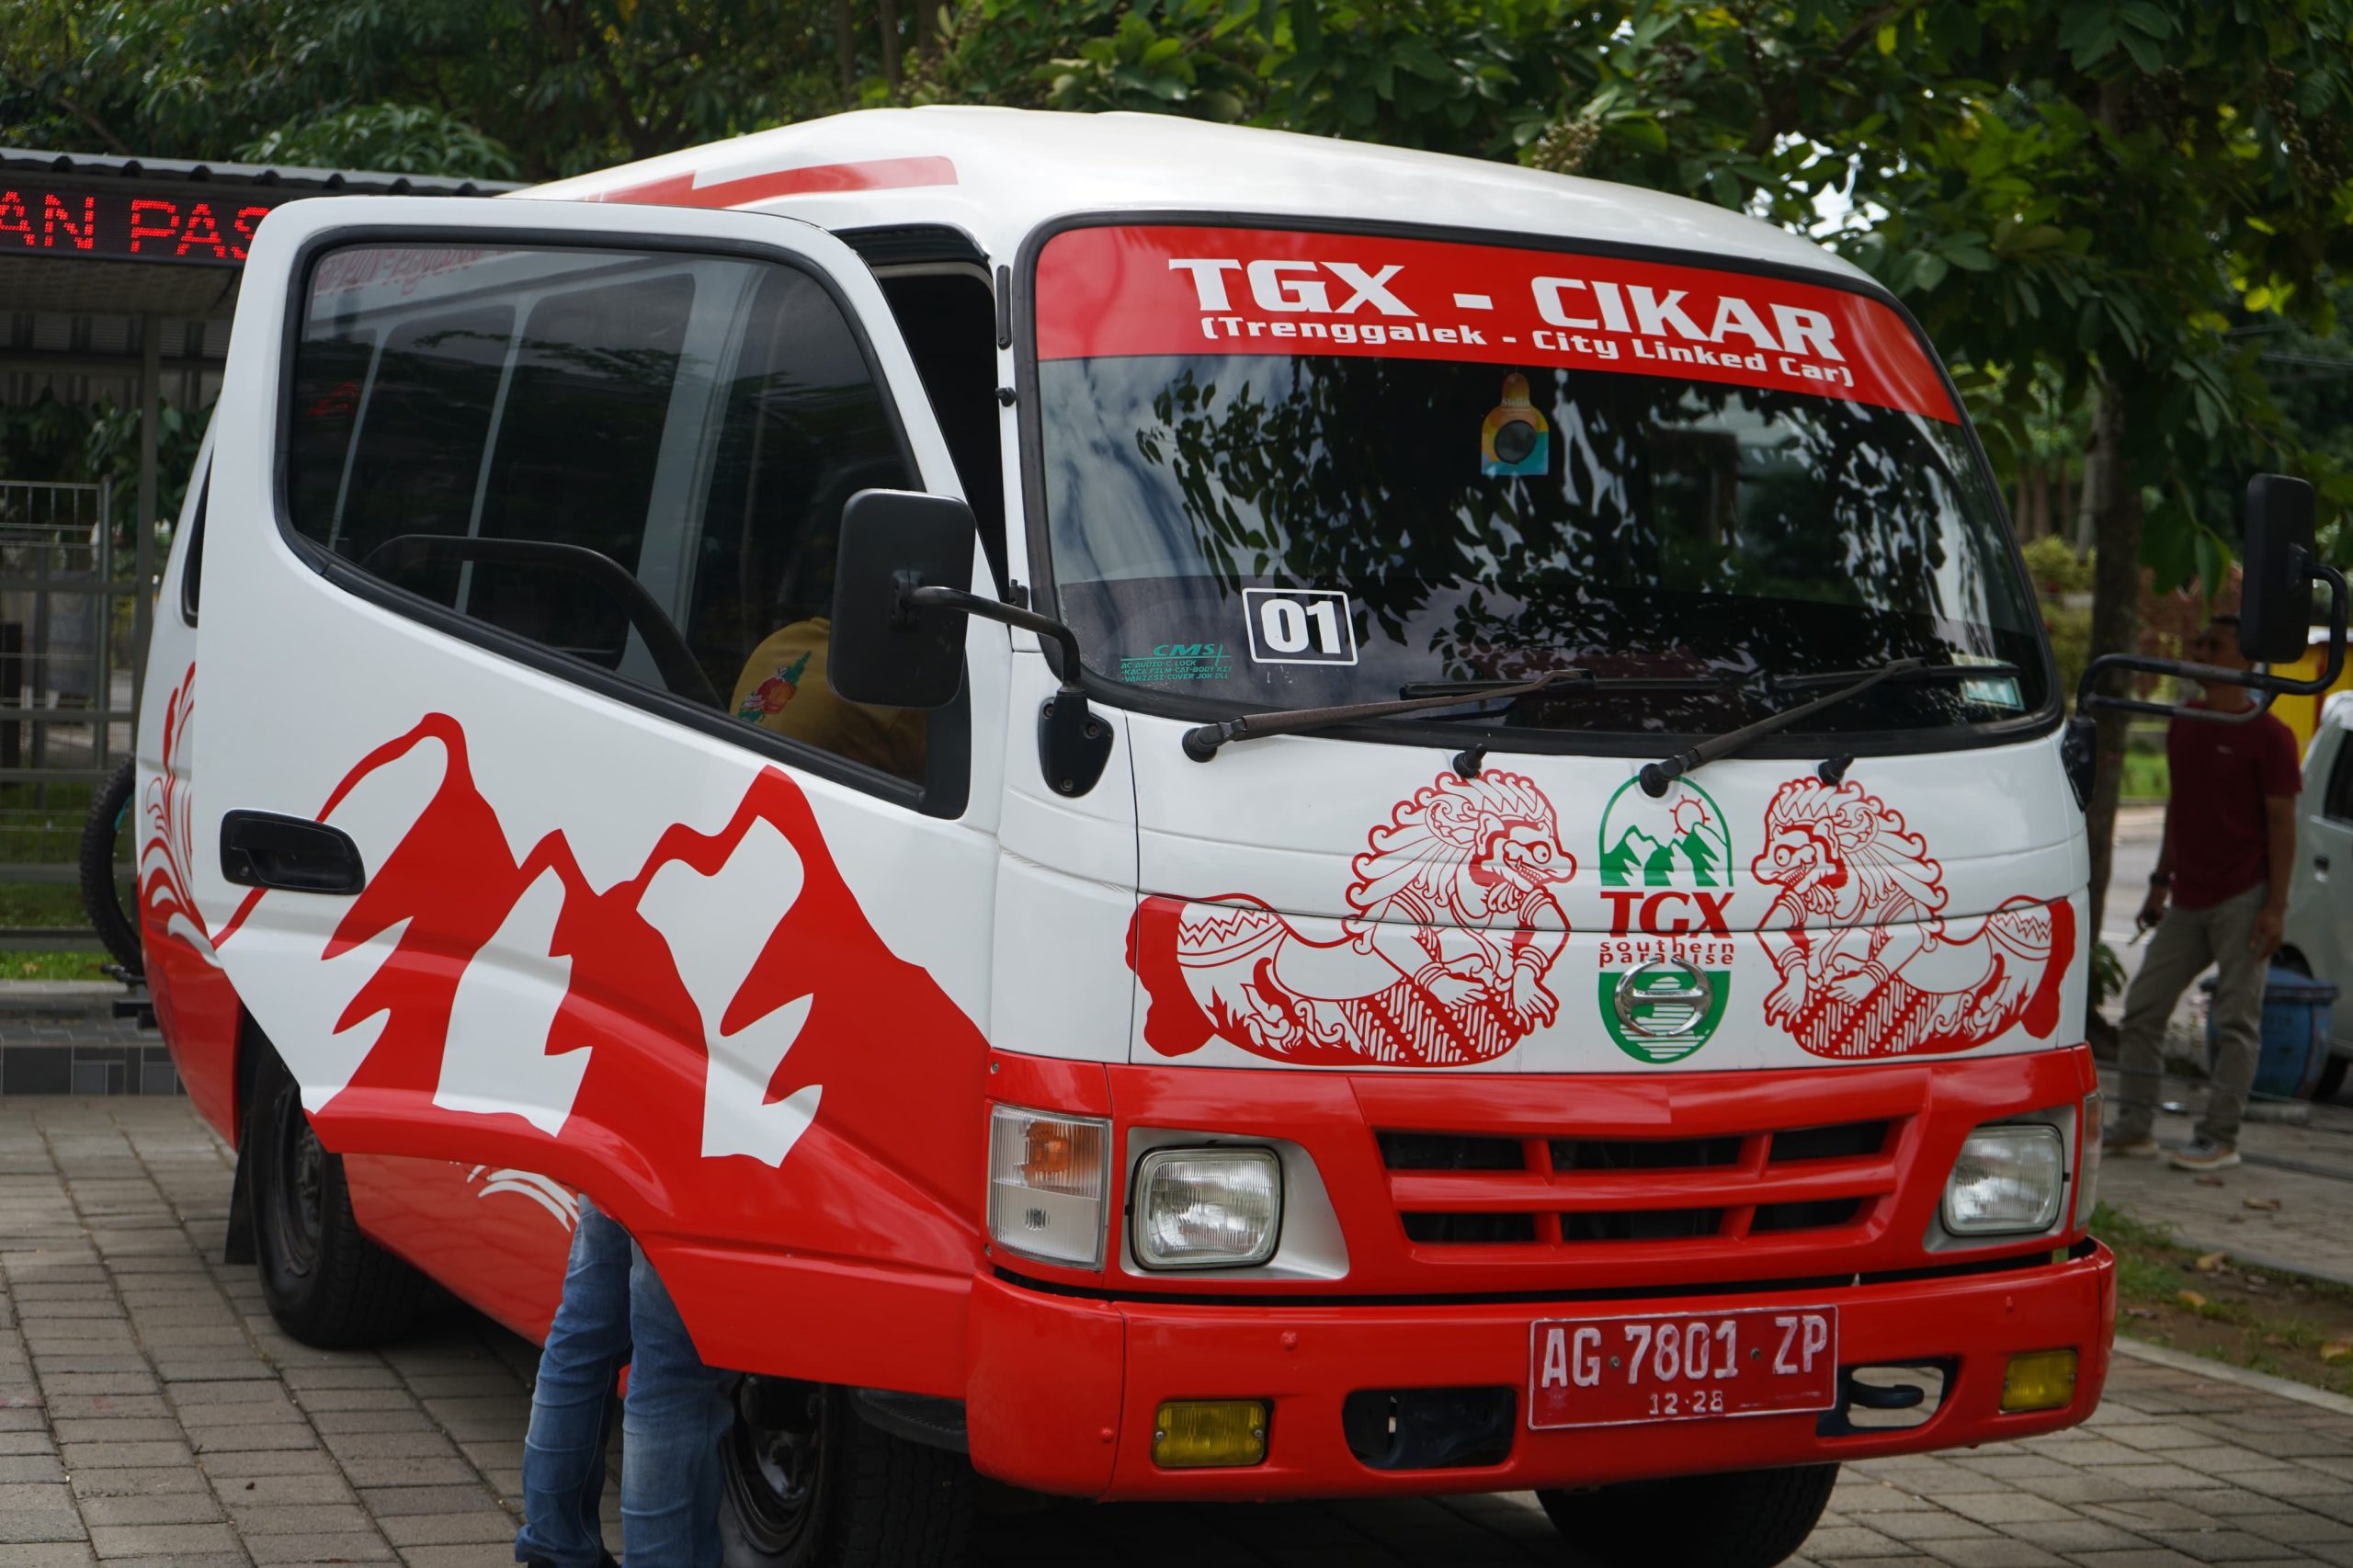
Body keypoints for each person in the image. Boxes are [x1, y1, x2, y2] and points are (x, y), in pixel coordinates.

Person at [2104, 613, 2301, 1173]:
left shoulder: (2269, 735)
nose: (2199, 651)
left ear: (2244, 659)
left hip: (2244, 895)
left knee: (2237, 1019)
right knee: (2142, 1011)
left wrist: (2275, 906)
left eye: (2214, 644)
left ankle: (2220, 1135)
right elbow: (2180, 811)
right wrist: (2160, 884)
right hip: (2189, 895)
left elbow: (2283, 824)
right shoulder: (2182, 721)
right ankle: (2136, 1125)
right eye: (2199, 642)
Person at [515, 1196, 734, 1568]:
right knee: (673, 1370)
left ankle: (554, 1546)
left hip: (624, 1144)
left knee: (586, 1327)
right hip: (696, 1151)